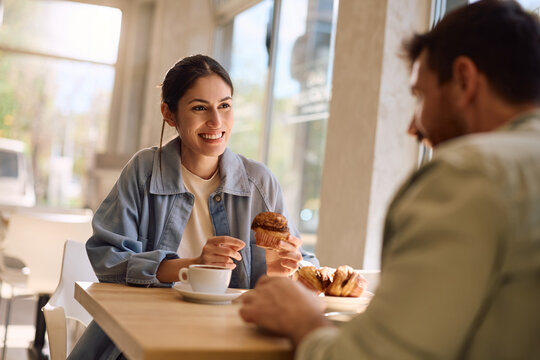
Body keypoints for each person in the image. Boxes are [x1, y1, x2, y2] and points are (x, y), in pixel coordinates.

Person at [239, 1, 540, 358]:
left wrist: (304, 322)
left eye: (421, 96)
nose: (414, 126)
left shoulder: (470, 173)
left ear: (464, 80)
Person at [68, 54, 318, 359]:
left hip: (232, 339)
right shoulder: (144, 170)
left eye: (224, 105)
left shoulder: (260, 183)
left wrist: (285, 272)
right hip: (144, 334)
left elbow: (301, 267)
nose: (216, 122)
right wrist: (192, 265)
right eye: (200, 107)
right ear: (169, 114)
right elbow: (106, 258)